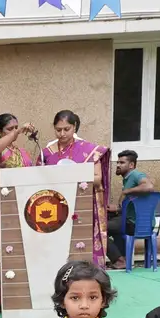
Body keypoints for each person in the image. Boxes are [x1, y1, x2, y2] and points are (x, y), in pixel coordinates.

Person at [0, 113, 37, 308]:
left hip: (20, 203)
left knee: (19, 248)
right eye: (9, 129)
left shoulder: (22, 152)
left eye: (16, 128)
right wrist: (17, 132)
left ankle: (16, 294)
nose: (15, 132)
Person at [39, 110, 111, 267]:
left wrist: (73, 176)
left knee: (82, 245)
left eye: (67, 129)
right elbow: (39, 179)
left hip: (82, 205)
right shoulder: (47, 153)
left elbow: (97, 178)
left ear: (75, 127)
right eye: (58, 130)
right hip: (55, 206)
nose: (62, 134)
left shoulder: (89, 150)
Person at [109, 150, 155, 268]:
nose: (118, 165)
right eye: (117, 162)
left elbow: (149, 186)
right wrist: (118, 209)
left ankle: (119, 260)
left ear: (131, 165)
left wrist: (126, 191)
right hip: (131, 220)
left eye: (122, 162)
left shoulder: (135, 175)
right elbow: (133, 203)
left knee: (98, 230)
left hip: (136, 223)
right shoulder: (127, 179)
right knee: (115, 227)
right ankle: (123, 259)